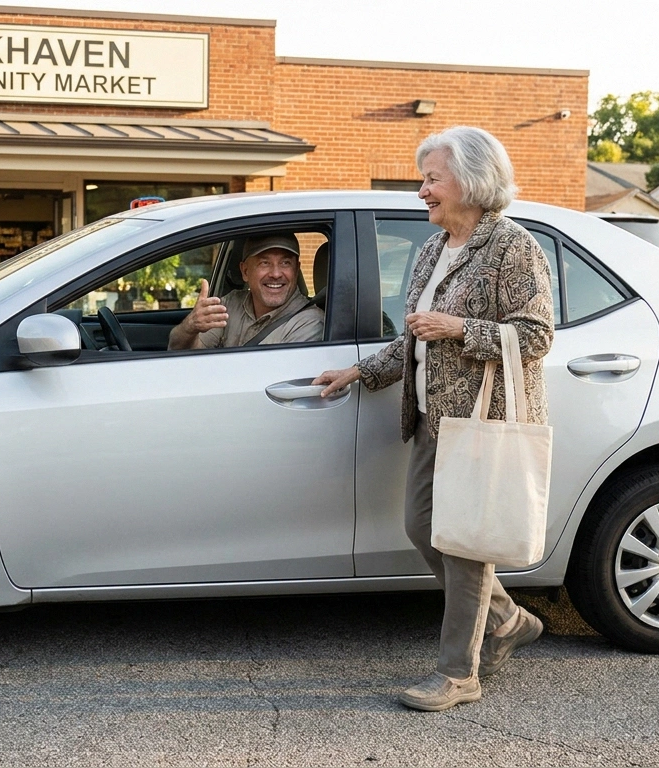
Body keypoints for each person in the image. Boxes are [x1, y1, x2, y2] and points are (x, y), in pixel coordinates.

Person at [313, 126, 555, 712]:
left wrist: (459, 329)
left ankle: (458, 674)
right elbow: (413, 341)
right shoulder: (431, 250)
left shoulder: (511, 246)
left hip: (481, 422)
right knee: (424, 528)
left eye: (431, 178)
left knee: (466, 546)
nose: (422, 190)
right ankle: (508, 621)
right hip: (431, 420)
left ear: (471, 181)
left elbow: (537, 335)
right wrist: (360, 372)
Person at [168, 233, 323, 349]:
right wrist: (190, 326)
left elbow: (271, 384)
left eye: (285, 263)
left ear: (296, 270)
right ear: (245, 271)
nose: (276, 274)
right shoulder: (230, 304)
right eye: (264, 263)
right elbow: (185, 355)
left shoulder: (310, 322)